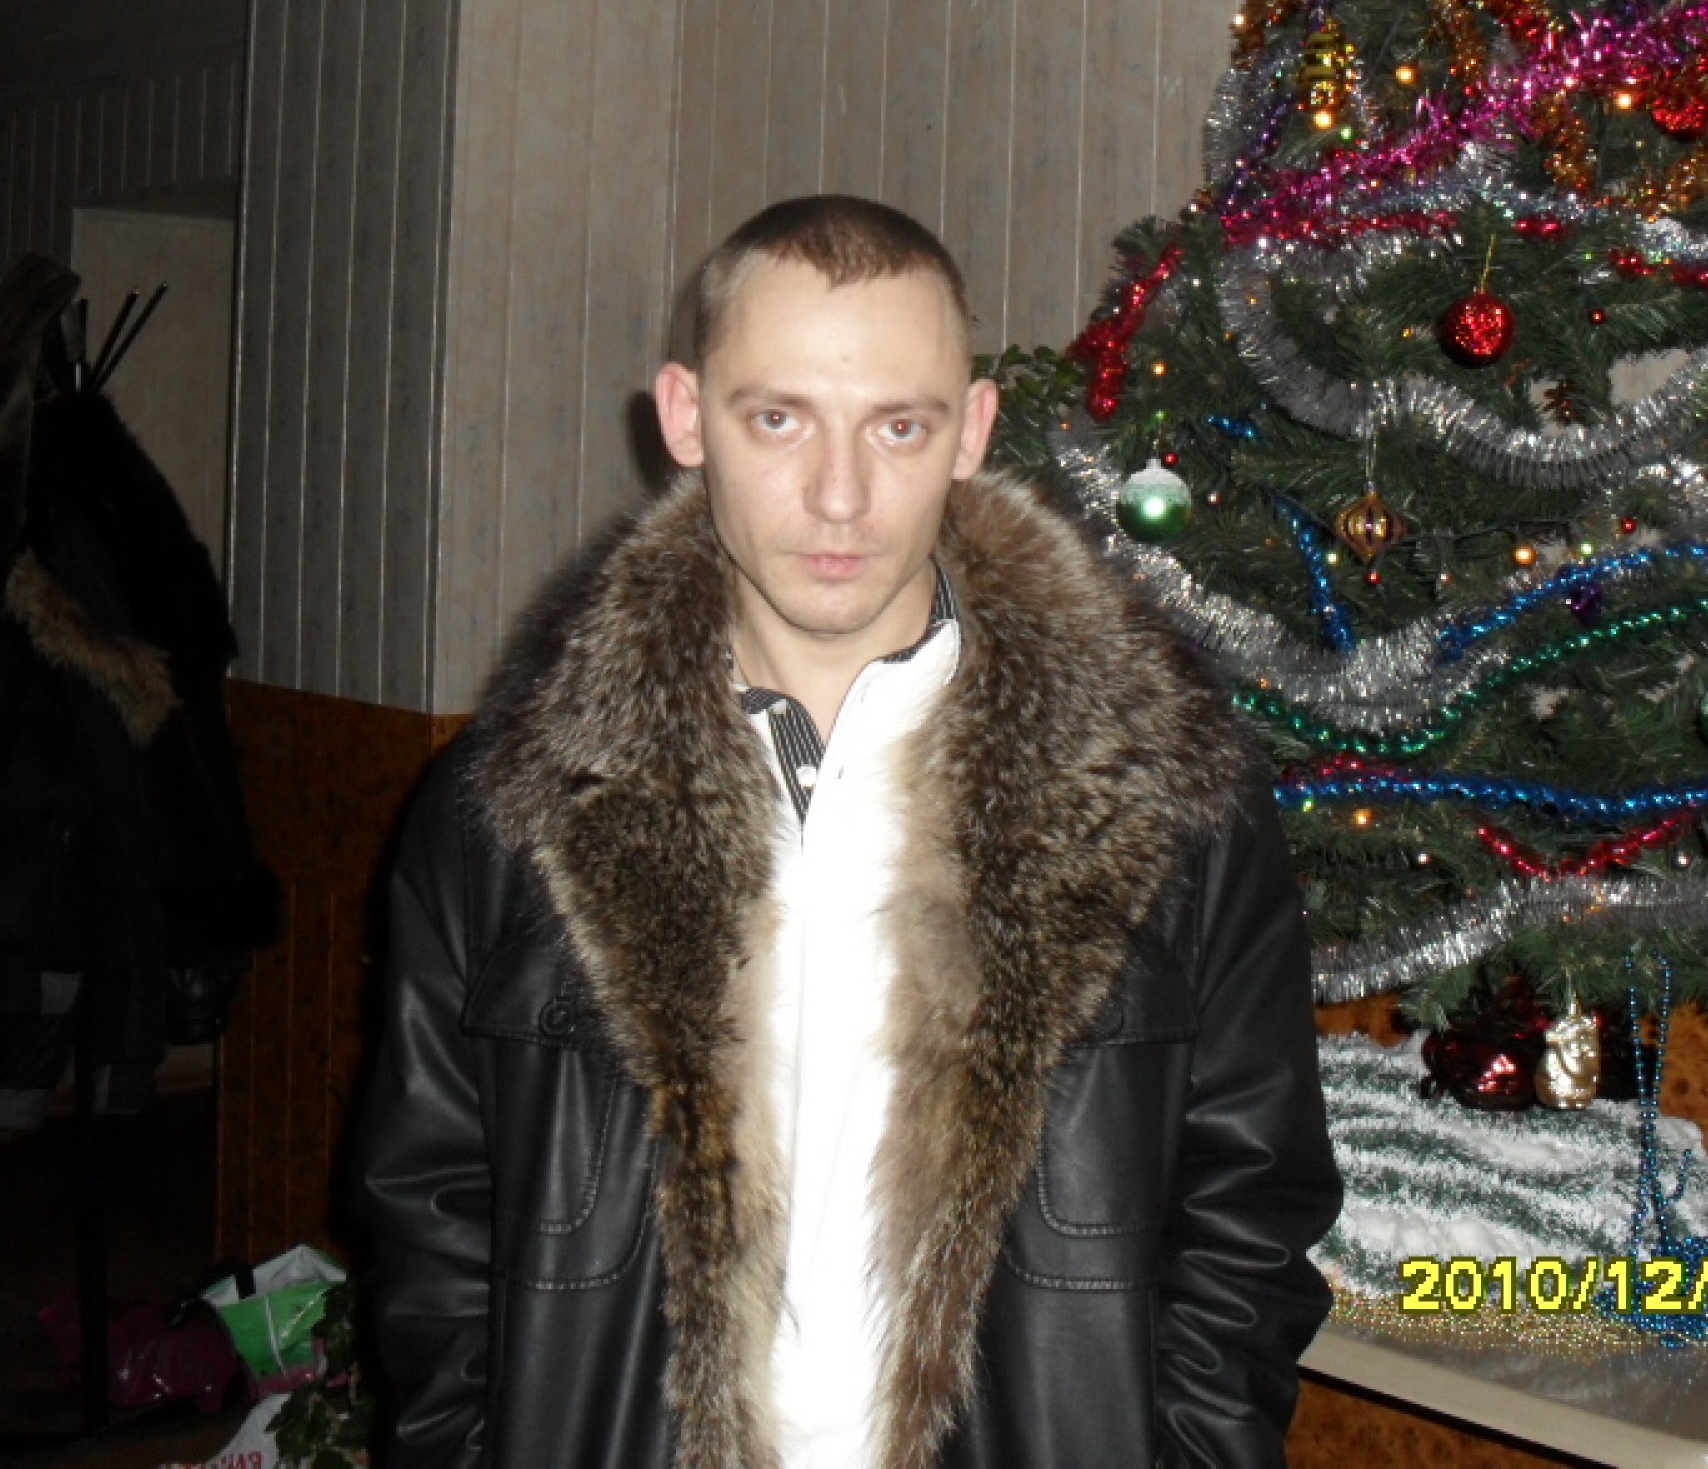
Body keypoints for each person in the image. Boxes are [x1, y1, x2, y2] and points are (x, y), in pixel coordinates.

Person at [351, 195, 1341, 1469]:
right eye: (778, 419)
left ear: (971, 430)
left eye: (897, 426)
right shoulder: (518, 800)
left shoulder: (1166, 790)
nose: (839, 495)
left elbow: (1252, 1206)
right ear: (683, 417)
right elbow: (427, 1212)